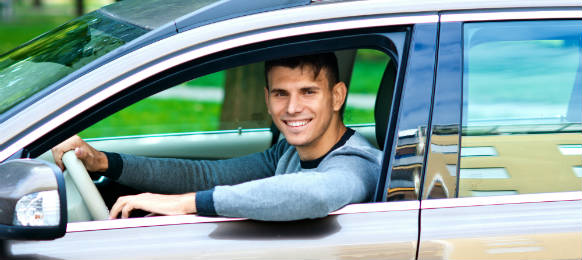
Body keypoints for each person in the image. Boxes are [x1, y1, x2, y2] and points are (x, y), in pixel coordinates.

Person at [51, 52, 382, 221]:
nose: (293, 107)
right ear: (267, 100)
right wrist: (102, 161)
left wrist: (186, 204)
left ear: (337, 96)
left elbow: (316, 196)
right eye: (281, 94)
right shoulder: (287, 154)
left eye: (308, 92)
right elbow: (206, 175)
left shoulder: (357, 163)